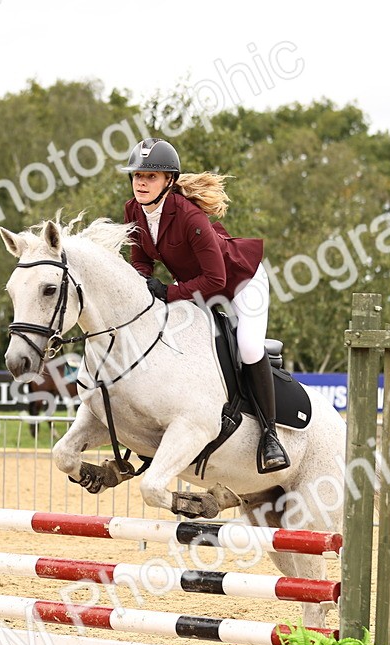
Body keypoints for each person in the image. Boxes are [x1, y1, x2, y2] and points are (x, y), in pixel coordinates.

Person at [121, 137, 289, 473]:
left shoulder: (190, 217)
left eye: (150, 176)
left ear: (169, 180)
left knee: (249, 346)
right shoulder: (133, 210)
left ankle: (270, 435)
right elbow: (141, 259)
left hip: (241, 282)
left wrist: (167, 292)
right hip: (196, 287)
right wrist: (140, 286)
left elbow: (216, 279)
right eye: (137, 175)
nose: (141, 182)